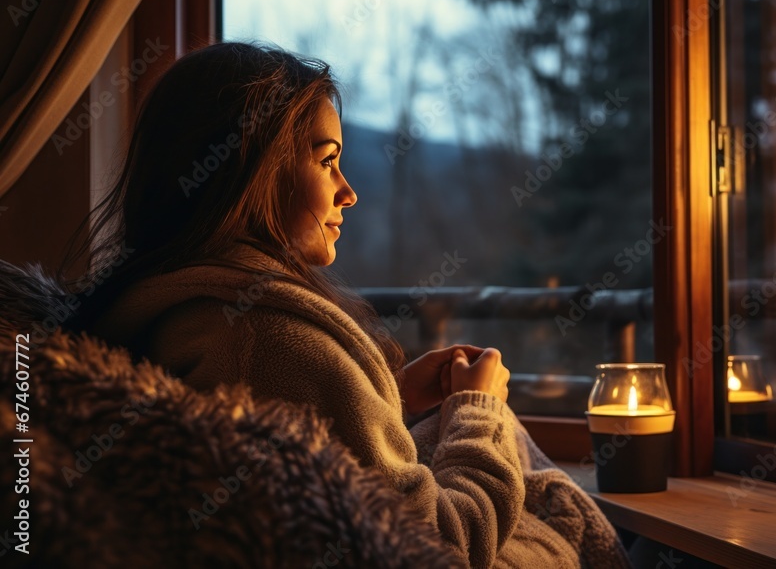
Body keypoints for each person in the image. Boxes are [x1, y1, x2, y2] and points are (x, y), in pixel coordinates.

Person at [57, 42, 630, 568]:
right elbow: (437, 547)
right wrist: (476, 409)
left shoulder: (183, 307)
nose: (348, 192)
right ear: (250, 171)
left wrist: (390, 398)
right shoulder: (263, 336)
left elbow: (311, 454)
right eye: (327, 160)